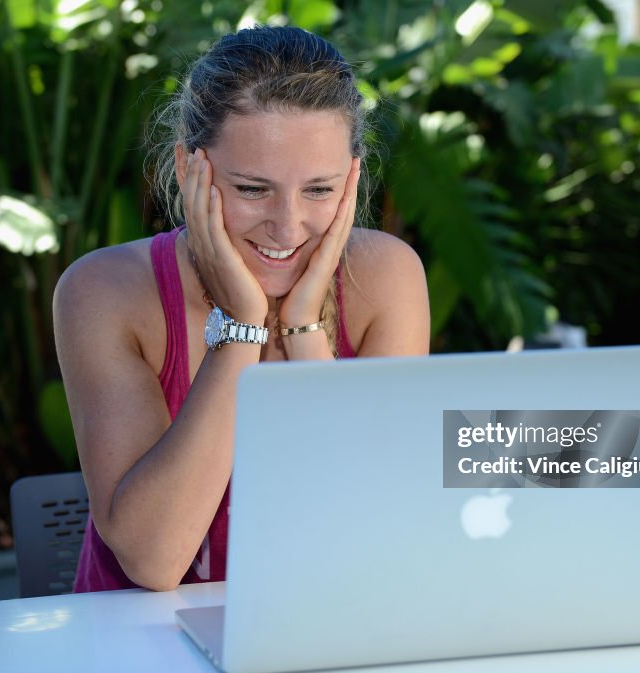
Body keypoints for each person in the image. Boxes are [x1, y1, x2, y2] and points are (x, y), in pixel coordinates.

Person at [53, 25, 430, 592]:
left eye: (320, 190)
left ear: (353, 180)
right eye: (253, 189)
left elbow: (378, 533)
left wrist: (304, 331)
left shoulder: (385, 279)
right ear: (189, 170)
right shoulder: (105, 291)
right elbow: (155, 562)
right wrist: (242, 329)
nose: (287, 225)